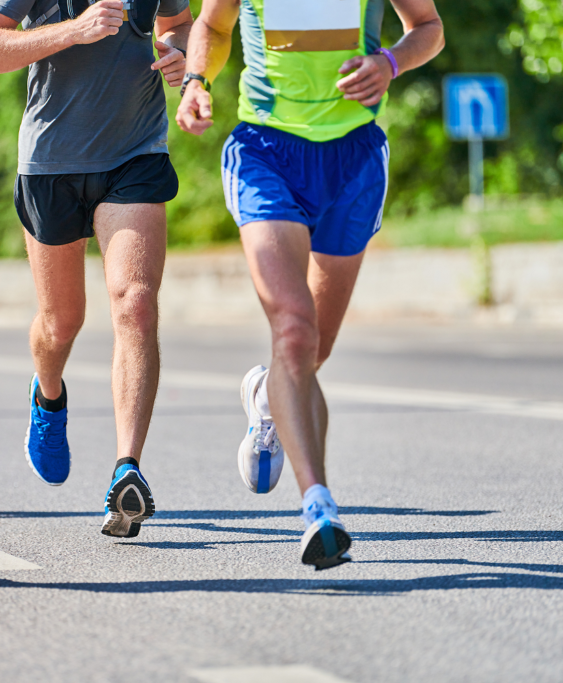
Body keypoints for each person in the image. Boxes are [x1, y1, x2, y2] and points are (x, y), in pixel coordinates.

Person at [176, 0, 443, 567]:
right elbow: (212, 25)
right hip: (265, 153)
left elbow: (429, 28)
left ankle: (264, 398)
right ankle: (319, 507)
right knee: (294, 329)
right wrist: (198, 81)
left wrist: (392, 63)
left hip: (353, 160)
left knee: (314, 349)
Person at [0, 0, 192, 537]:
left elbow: (180, 21)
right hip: (52, 161)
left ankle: (126, 470)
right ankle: (48, 395)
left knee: (135, 303)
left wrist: (181, 55)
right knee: (60, 322)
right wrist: (75, 29)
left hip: (135, 152)